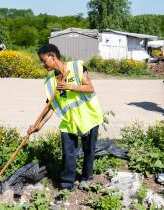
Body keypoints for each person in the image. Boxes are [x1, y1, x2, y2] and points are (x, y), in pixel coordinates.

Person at [28, 44, 103, 191]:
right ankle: (67, 184)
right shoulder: (50, 82)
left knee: (89, 150)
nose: (43, 65)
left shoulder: (76, 67)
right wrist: (38, 126)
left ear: (53, 56)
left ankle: (86, 178)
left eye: (44, 61)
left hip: (89, 117)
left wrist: (71, 87)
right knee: (68, 153)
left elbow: (90, 87)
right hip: (69, 121)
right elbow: (51, 106)